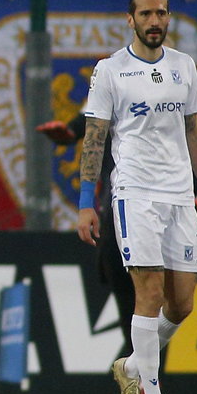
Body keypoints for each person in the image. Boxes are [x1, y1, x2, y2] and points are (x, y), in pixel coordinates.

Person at [76, 0, 197, 394]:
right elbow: (95, 139)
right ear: (130, 19)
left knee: (181, 306)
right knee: (150, 293)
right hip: (134, 194)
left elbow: (196, 133)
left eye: (161, 13)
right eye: (146, 14)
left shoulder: (183, 67)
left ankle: (132, 367)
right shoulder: (111, 71)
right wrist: (86, 202)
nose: (155, 21)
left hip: (180, 196)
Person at [37, 114, 134, 353]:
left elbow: (186, 134)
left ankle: (145, 370)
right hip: (117, 201)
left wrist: (196, 189)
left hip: (161, 199)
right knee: (125, 283)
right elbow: (92, 119)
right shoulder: (110, 79)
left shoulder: (169, 84)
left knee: (173, 303)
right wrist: (86, 204)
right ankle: (142, 375)